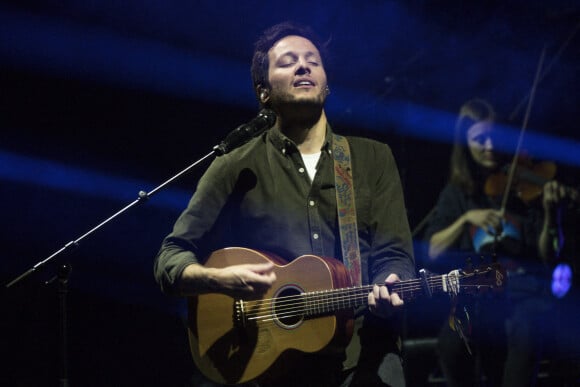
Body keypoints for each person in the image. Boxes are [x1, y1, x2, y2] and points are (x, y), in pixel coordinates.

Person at [154, 21, 416, 387]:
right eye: (288, 62)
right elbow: (171, 255)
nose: (304, 67)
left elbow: (395, 252)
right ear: (263, 92)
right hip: (274, 363)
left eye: (313, 61)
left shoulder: (372, 159)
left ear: (326, 83)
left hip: (364, 351)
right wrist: (217, 279)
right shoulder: (234, 164)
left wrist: (393, 281)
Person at [423, 98, 576, 386]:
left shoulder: (526, 183)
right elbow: (432, 249)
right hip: (478, 290)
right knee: (451, 344)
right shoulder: (459, 191)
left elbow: (547, 255)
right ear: (465, 143)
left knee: (526, 331)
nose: (490, 146)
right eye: (480, 139)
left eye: (495, 136)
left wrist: (551, 215)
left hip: (523, 289)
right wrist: (467, 218)